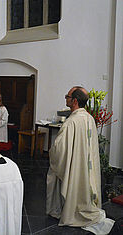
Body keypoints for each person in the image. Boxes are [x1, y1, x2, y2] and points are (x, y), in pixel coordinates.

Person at [47, 86, 114, 234]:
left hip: (75, 166)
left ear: (75, 101)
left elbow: (59, 149)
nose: (66, 98)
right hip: (86, 166)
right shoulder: (89, 118)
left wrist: (52, 153)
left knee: (62, 177)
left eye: (68, 96)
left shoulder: (72, 121)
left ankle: (72, 209)